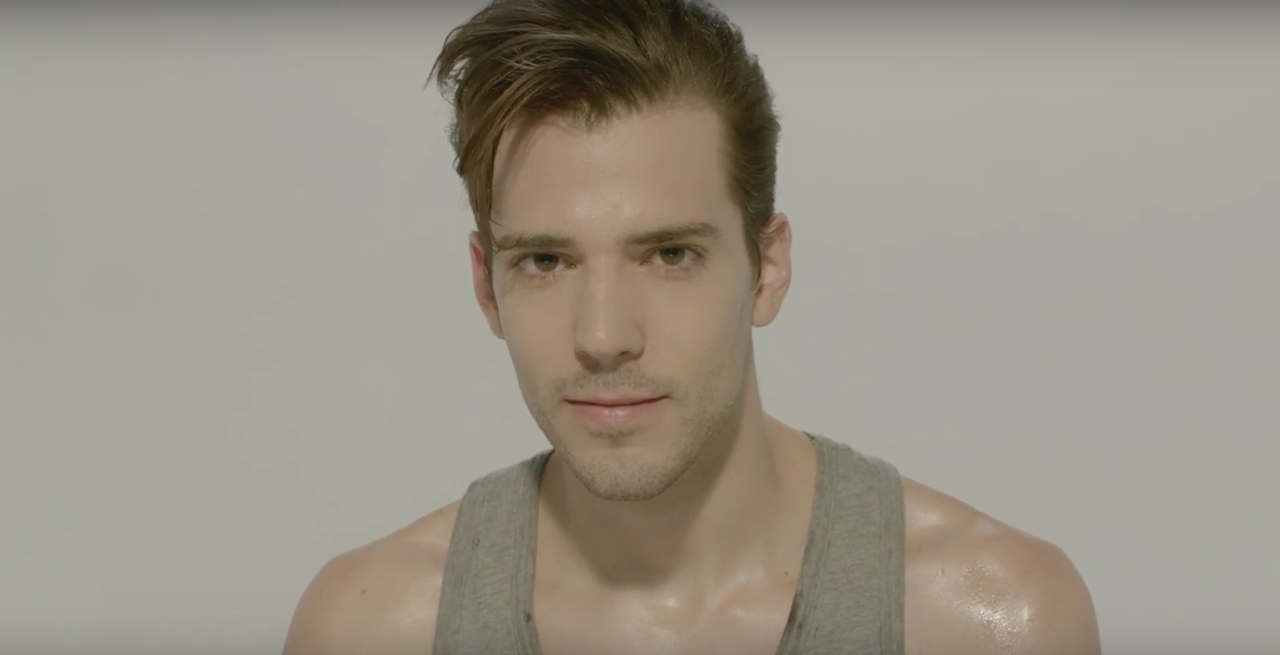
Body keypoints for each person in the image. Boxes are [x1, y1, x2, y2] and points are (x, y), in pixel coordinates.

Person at [283, 1, 1102, 653]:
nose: (603, 335)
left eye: (669, 254)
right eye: (545, 261)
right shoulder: (370, 628)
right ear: (485, 288)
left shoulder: (995, 621)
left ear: (767, 268)